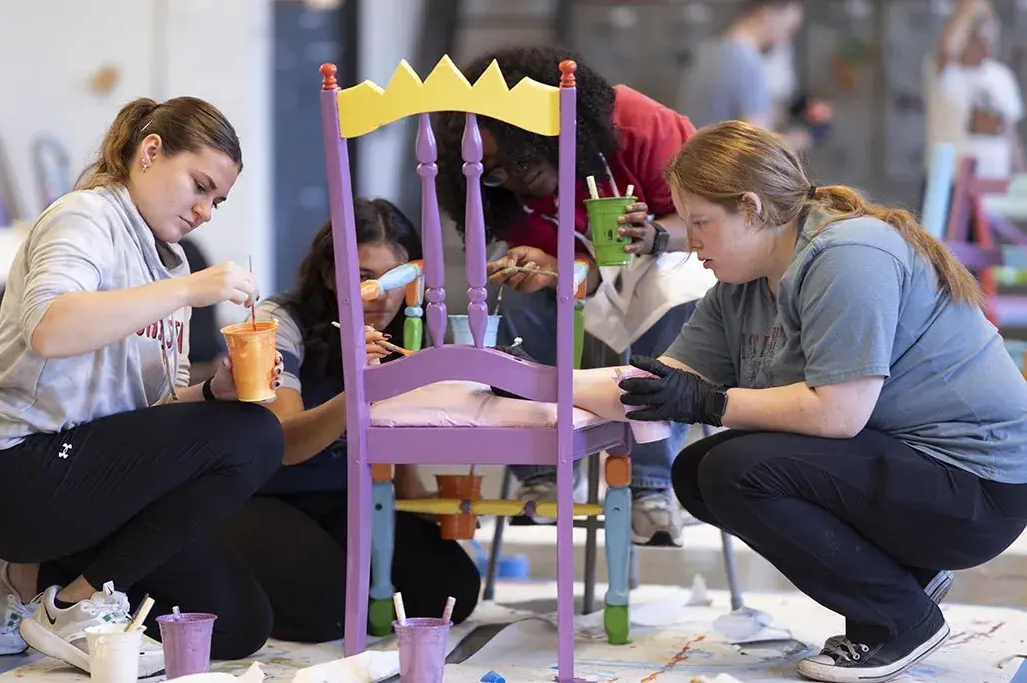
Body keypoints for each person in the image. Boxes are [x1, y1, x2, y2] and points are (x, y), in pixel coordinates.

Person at [614, 121, 1027, 682]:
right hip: (906, 467)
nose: (691, 242)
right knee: (696, 469)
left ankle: (899, 619)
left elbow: (837, 412)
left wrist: (707, 404)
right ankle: (905, 581)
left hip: (979, 487)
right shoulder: (739, 286)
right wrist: (531, 391)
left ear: (753, 208)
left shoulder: (849, 253)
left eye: (701, 223)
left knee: (738, 469)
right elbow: (663, 380)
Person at [0, 96, 287, 675]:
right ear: (150, 152)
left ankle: (39, 584)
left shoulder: (173, 265)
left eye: (219, 200)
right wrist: (189, 293)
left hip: (94, 478)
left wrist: (217, 392)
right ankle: (64, 597)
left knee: (235, 626)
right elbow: (51, 330)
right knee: (257, 434)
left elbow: (154, 411)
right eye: (200, 186)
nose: (207, 210)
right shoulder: (84, 215)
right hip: (16, 472)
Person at [435, 45, 715, 548]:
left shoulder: (640, 126)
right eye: (496, 170)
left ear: (549, 130)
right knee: (515, 299)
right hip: (586, 303)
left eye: (519, 157)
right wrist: (547, 268)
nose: (516, 179)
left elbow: (709, 220)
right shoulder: (504, 192)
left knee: (671, 294)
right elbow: (572, 268)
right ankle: (541, 468)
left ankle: (650, 480)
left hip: (666, 271)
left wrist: (655, 235)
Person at [219, 197, 481, 643]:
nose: (381, 295)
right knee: (328, 613)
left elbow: (393, 434)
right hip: (262, 494)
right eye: (362, 278)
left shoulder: (410, 327)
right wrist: (359, 389)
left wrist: (420, 506)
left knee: (453, 590)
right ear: (328, 274)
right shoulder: (279, 323)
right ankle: (220, 576)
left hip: (348, 496)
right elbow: (286, 445)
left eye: (396, 279)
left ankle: (327, 569)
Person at [677, 0, 810, 149]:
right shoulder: (749, 64)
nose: (786, 40)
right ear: (765, 11)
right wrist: (807, 138)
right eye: (788, 30)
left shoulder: (710, 50)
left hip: (692, 161)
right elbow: (759, 150)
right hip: (720, 169)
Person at [924, 0, 1024, 184]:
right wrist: (970, 8)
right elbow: (947, 49)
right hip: (949, 183)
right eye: (978, 39)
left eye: (989, 38)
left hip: (993, 186)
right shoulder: (945, 72)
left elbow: (1010, 134)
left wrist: (1022, 176)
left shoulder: (1001, 75)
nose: (986, 44)